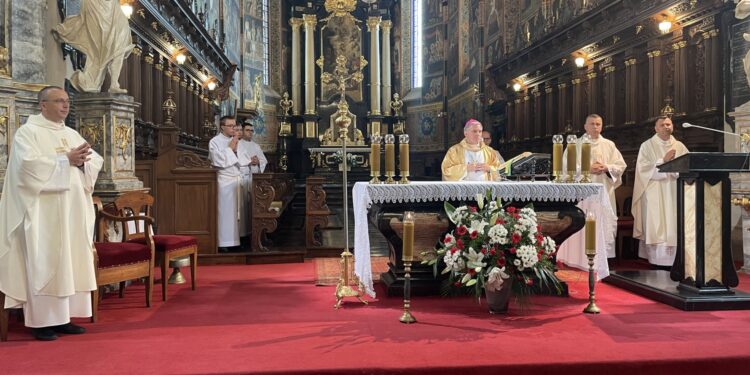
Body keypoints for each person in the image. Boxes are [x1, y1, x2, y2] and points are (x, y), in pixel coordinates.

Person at [0, 86, 104, 341]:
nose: (65, 106)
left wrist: (84, 162)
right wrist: (64, 160)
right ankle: (41, 322)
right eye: (59, 101)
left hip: (70, 209)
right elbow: (26, 169)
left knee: (70, 261)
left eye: (67, 101)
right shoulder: (28, 133)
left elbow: (93, 161)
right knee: (44, 261)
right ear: (42, 105)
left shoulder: (70, 133)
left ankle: (64, 318)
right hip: (42, 213)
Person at [633, 116, 689, 267]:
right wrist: (663, 161)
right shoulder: (647, 146)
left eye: (668, 124)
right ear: (656, 128)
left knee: (674, 221)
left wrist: (675, 167)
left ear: (673, 127)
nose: (666, 127)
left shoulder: (680, 146)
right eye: (662, 125)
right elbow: (643, 170)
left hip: (674, 190)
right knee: (657, 222)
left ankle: (677, 260)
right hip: (654, 191)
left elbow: (688, 167)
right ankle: (657, 261)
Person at [52, 0, 133, 93]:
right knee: (99, 48)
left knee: (119, 47)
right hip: (97, 7)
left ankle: (114, 83)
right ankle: (92, 80)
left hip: (113, 8)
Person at [564, 114, 627, 212]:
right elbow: (566, 167)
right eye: (592, 124)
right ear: (585, 126)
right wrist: (587, 169)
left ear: (601, 127)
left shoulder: (609, 145)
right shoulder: (574, 145)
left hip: (604, 190)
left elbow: (621, 165)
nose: (595, 126)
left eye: (598, 124)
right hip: (582, 192)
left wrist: (606, 167)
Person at [209, 116, 242, 251]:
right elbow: (217, 161)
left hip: (236, 179)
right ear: (222, 126)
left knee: (236, 214)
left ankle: (236, 241)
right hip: (224, 181)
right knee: (225, 214)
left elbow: (243, 160)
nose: (233, 129)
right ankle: (223, 243)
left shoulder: (235, 140)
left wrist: (235, 149)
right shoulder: (214, 142)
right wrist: (230, 149)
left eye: (234, 126)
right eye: (230, 126)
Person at [237, 120, 267, 240]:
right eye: (247, 130)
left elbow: (264, 160)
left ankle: (252, 231)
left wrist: (258, 161)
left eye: (252, 131)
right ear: (242, 131)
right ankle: (242, 232)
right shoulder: (238, 144)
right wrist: (249, 160)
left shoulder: (256, 146)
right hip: (243, 179)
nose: (250, 133)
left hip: (254, 179)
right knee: (243, 206)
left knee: (253, 204)